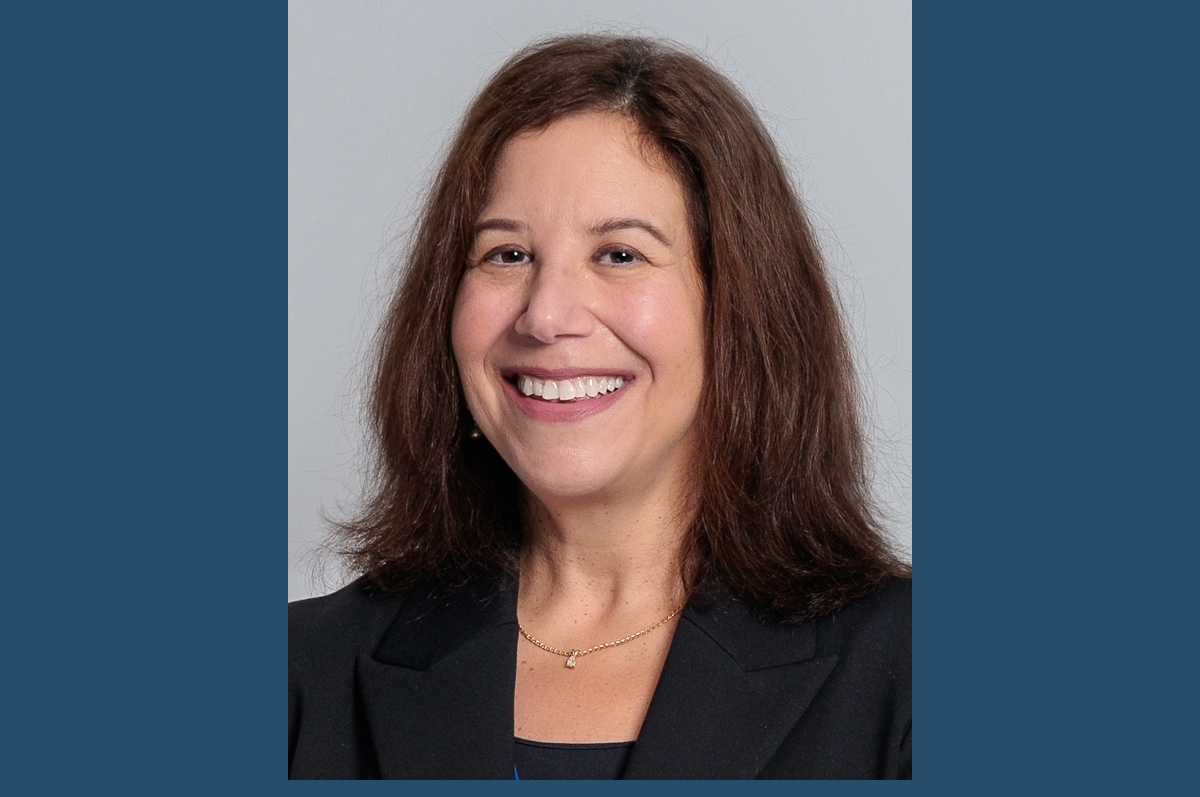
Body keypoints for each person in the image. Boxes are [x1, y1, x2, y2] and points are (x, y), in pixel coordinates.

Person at [288, 34, 911, 780]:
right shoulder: (299, 677)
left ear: (739, 307)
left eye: (620, 254)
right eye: (505, 254)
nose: (546, 315)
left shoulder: (910, 672)